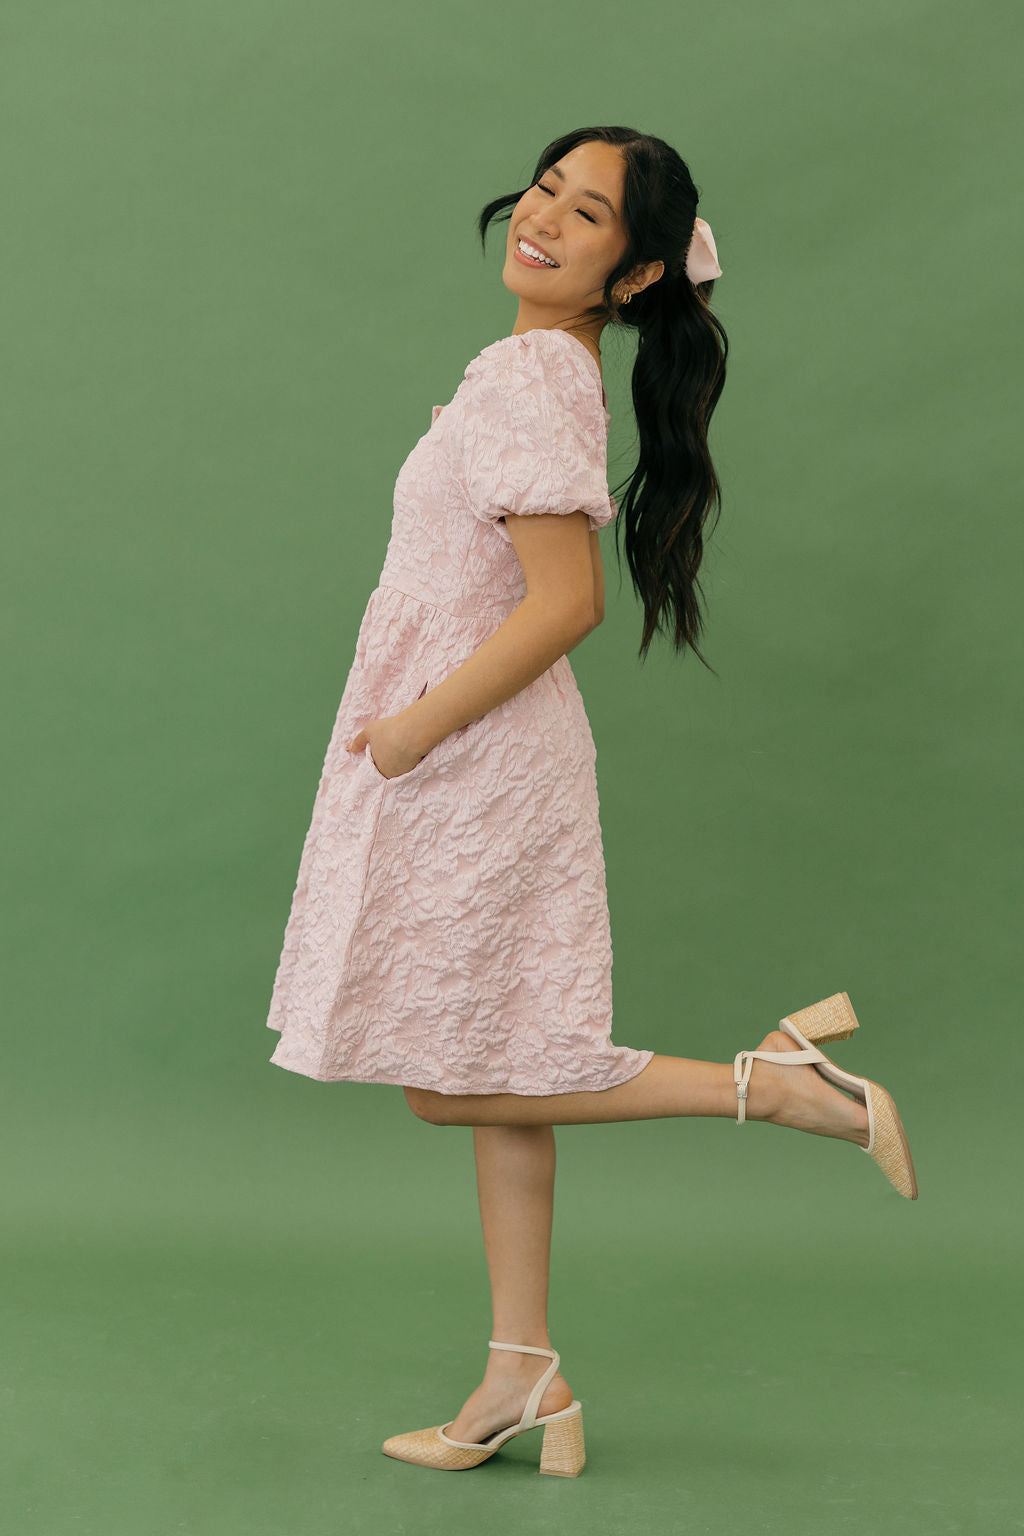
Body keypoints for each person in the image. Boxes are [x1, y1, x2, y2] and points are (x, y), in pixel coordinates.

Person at [265, 126, 917, 1477]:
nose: (547, 216)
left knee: (463, 1082)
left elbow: (566, 603)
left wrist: (410, 732)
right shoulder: (537, 370)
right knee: (500, 1065)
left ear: (635, 274)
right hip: (482, 748)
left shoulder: (529, 377)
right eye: (547, 188)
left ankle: (776, 1088)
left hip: (471, 754)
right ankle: (525, 1374)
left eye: (591, 213)